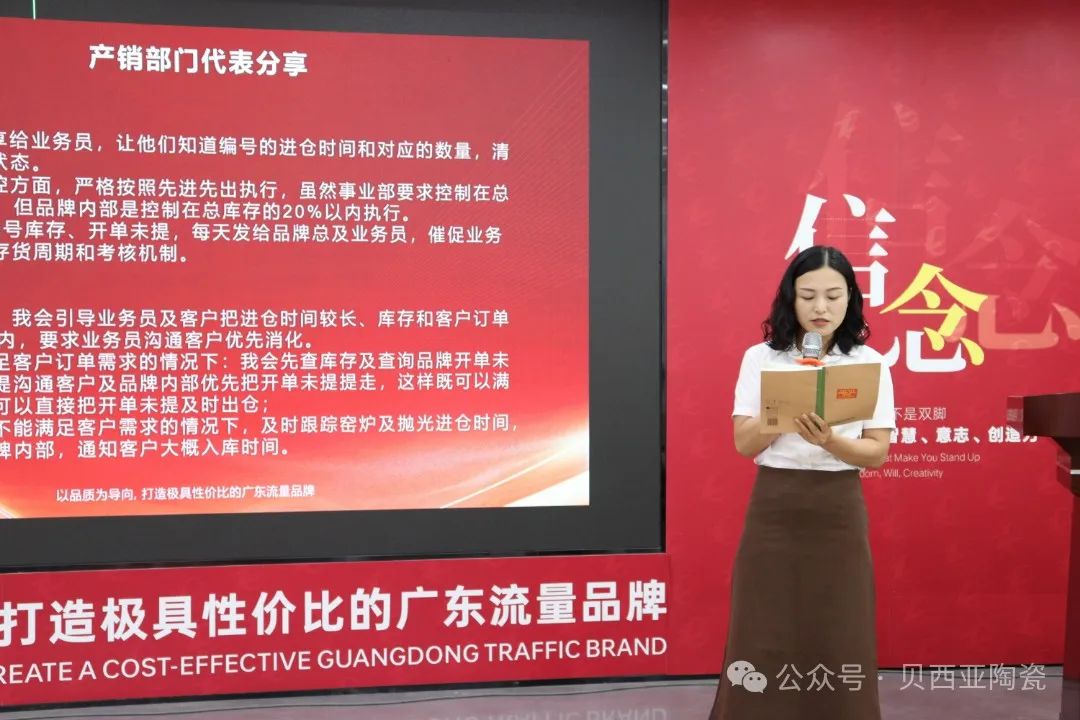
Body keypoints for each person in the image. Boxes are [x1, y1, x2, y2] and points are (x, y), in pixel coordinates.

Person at [708, 245, 895, 720]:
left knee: (840, 627)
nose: (820, 308)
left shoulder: (869, 362)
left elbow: (876, 453)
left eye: (833, 296)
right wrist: (785, 412)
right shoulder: (762, 358)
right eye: (808, 296)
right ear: (790, 298)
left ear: (850, 299)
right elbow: (743, 443)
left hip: (838, 507)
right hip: (775, 506)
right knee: (763, 626)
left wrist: (831, 440)